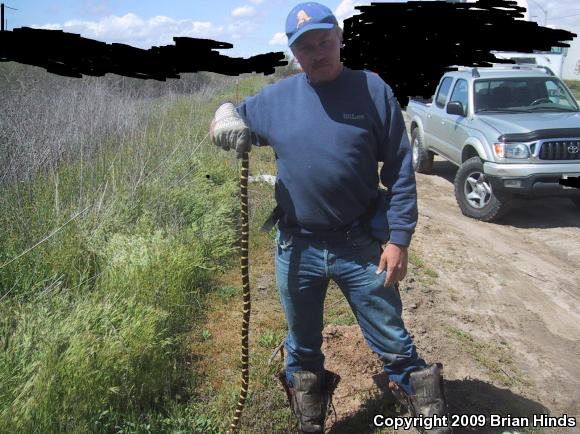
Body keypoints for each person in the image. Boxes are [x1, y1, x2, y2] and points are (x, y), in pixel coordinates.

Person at [210, 3, 451, 433]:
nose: (318, 52)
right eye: (306, 46)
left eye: (325, 41)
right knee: (301, 344)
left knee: (392, 338)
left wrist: (399, 240)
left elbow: (398, 168)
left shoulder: (372, 90)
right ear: (294, 54)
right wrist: (224, 119)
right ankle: (310, 420)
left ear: (340, 40)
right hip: (296, 246)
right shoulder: (278, 99)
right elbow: (232, 113)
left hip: (358, 243)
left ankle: (429, 413)